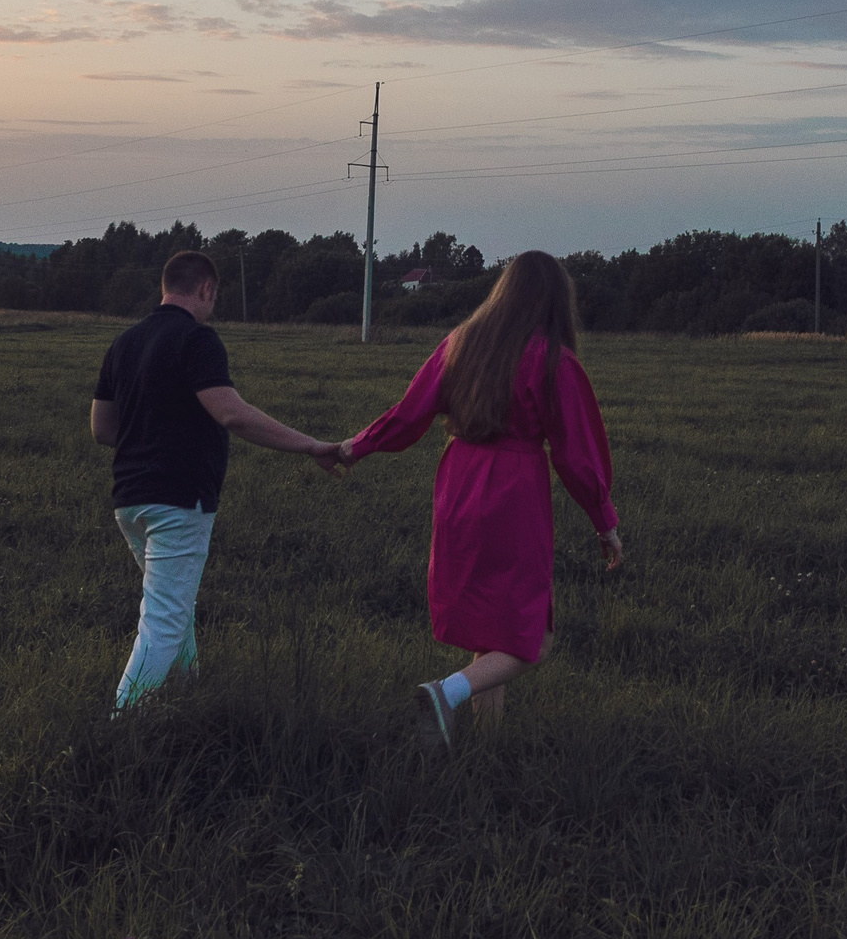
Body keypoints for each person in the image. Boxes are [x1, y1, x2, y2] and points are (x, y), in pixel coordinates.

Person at [337, 250, 622, 746]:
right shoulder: (553, 358)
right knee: (534, 635)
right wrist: (605, 520)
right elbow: (577, 453)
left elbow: (409, 415)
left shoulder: (462, 342)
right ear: (556, 299)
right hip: (513, 491)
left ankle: (488, 744)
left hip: (458, 482)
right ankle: (447, 692)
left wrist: (354, 447)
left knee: (493, 626)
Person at [90, 249, 340, 708]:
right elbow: (232, 414)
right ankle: (119, 725)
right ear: (205, 289)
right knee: (164, 620)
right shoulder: (198, 339)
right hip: (179, 501)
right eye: (214, 296)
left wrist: (149, 434)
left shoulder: (124, 342)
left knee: (174, 610)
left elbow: (102, 428)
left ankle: (187, 695)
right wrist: (310, 445)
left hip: (128, 502)